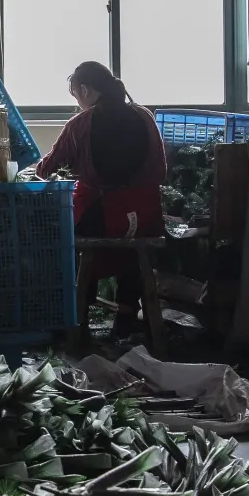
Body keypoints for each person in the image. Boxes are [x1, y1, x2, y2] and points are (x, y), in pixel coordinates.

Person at [35, 61, 167, 332]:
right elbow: (161, 171)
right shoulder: (144, 116)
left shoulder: (80, 124)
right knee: (133, 246)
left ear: (84, 90)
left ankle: (80, 312)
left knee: (64, 233)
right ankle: (128, 310)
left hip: (106, 219)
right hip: (146, 219)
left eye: (76, 96)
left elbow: (44, 170)